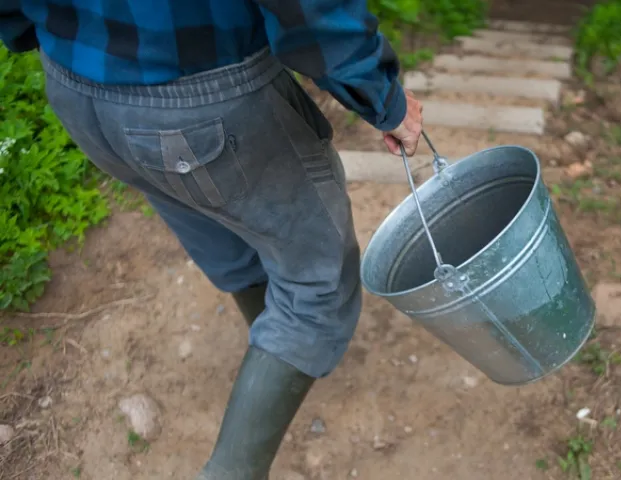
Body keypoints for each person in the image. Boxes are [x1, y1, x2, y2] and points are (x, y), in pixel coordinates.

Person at [0, 0, 424, 478]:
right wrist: (382, 95)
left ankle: (276, 349)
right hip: (204, 97)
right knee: (316, 291)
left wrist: (23, 22)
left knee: (216, 225)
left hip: (75, 85)